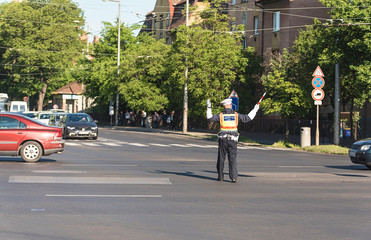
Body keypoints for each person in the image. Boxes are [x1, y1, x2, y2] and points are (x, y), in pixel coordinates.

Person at [206, 98, 260, 183]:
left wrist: (208, 107)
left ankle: (220, 177)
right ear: (230, 105)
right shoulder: (236, 115)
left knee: (221, 158)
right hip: (233, 140)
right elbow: (248, 117)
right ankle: (233, 177)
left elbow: (210, 118)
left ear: (224, 106)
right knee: (232, 159)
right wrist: (255, 109)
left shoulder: (221, 115)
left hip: (223, 139)